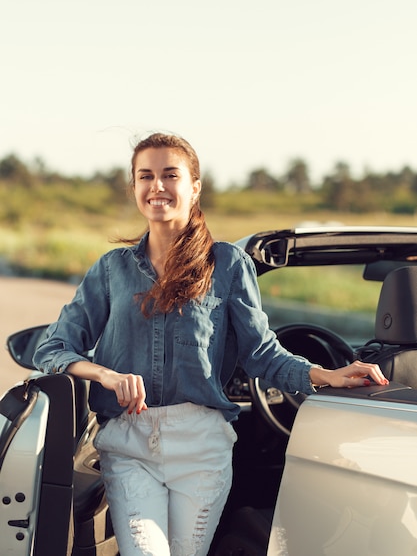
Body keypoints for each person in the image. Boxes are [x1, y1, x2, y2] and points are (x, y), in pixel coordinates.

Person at [33, 132, 389, 556]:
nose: (157, 186)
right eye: (145, 175)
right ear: (133, 187)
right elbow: (52, 350)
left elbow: (261, 353)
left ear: (194, 186)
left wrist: (327, 375)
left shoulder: (228, 265)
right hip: (129, 447)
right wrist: (105, 374)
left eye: (170, 174)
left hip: (202, 449)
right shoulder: (111, 270)